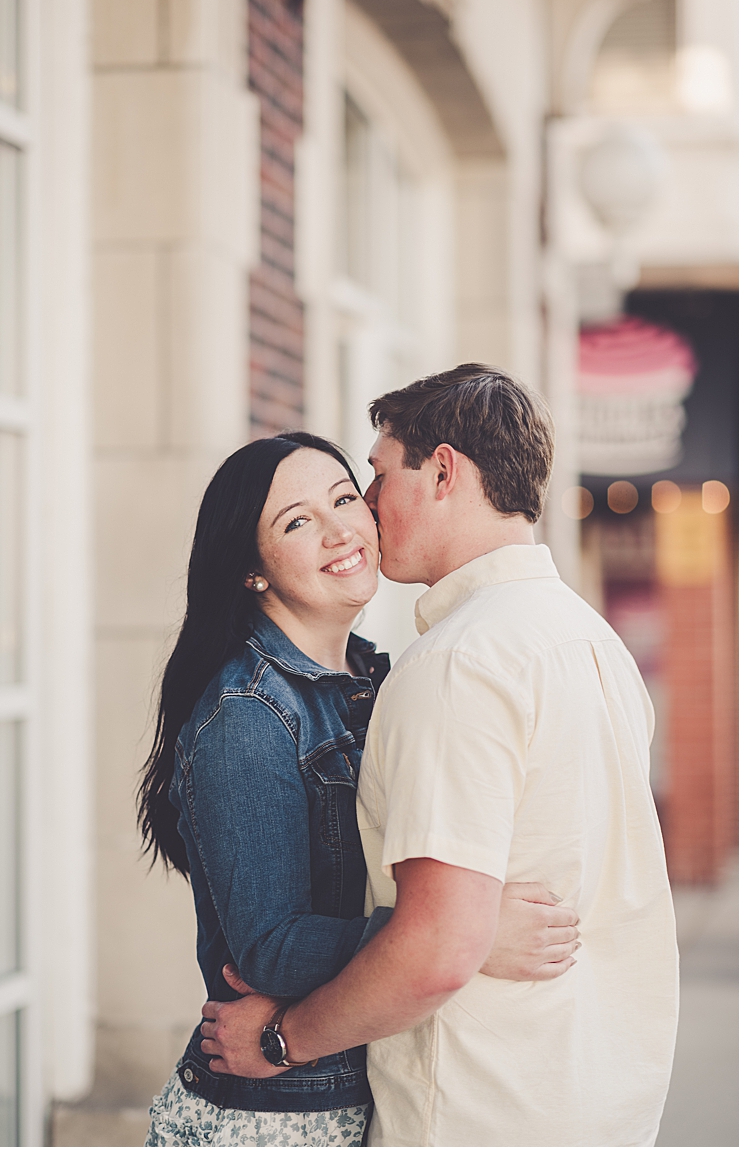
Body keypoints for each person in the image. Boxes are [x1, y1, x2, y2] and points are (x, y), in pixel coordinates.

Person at [200, 366, 679, 1146]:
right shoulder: (592, 639)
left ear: (444, 470)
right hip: (600, 1100)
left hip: (483, 1107)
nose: (371, 508)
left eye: (377, 477)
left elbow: (436, 949)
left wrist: (282, 1038)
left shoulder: (458, 662)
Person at [137, 431, 581, 1147]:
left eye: (345, 497)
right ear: (252, 569)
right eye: (297, 520)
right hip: (273, 1116)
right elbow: (269, 950)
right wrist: (464, 935)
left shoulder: (382, 680)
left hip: (361, 1094)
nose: (342, 528)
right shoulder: (246, 715)